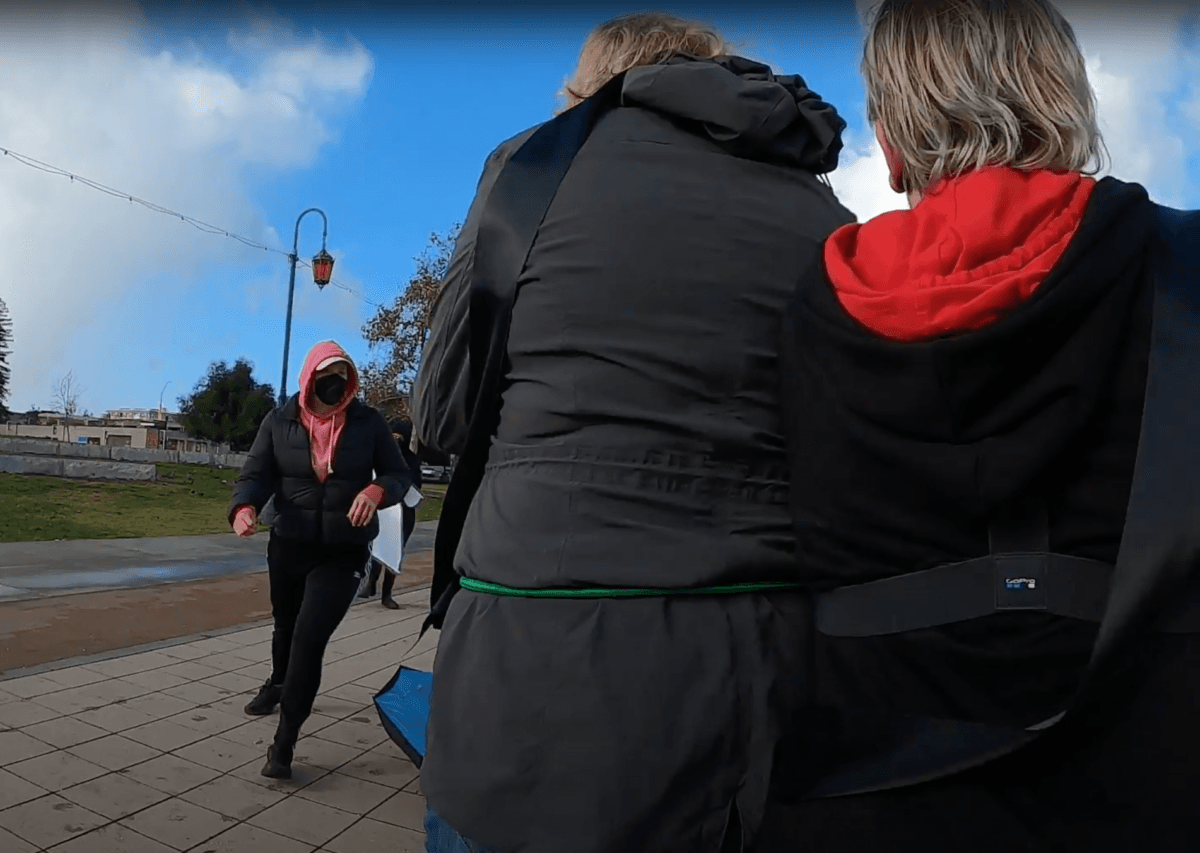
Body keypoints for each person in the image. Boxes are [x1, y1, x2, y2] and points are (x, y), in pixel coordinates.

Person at [757, 1, 1200, 850]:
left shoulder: (810, 309)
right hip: (1152, 781)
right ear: (1065, 96)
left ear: (889, 148)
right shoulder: (1181, 265)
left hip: (863, 797)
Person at [412, 12, 855, 853]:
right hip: (765, 672)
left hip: (535, 661)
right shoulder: (821, 204)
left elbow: (440, 417)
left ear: (585, 90)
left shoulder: (531, 166)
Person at [229, 340, 413, 780]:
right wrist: (243, 507)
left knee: (309, 639)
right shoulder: (279, 421)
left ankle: (285, 740)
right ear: (310, 377)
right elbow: (256, 474)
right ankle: (277, 683)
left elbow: (399, 474)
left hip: (343, 550)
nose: (337, 385)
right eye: (328, 376)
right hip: (289, 544)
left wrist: (375, 491)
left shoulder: (368, 423)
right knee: (286, 627)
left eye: (344, 376)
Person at [360, 418, 424, 608]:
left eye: (399, 437)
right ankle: (371, 583)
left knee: (396, 550)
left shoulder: (412, 460)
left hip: (404, 512)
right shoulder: (381, 456)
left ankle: (387, 594)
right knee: (377, 547)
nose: (396, 441)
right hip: (384, 509)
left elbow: (415, 483)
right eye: (393, 437)